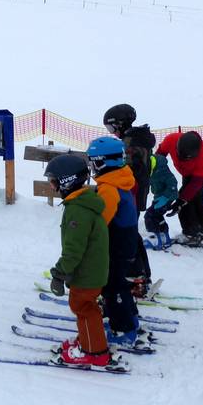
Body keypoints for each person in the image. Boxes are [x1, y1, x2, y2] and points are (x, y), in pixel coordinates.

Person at [44, 154, 125, 369]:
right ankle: (89, 339)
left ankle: (94, 352)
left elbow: (73, 251)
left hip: (87, 273)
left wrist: (59, 273)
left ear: (66, 181)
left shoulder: (77, 211)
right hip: (92, 269)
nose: (52, 186)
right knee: (86, 308)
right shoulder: (83, 202)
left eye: (53, 181)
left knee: (83, 307)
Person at [85, 135, 143, 346]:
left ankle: (124, 330)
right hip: (125, 241)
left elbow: (102, 220)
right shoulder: (120, 178)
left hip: (117, 244)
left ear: (103, 162)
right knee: (118, 283)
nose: (92, 167)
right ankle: (130, 318)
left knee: (112, 287)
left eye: (94, 162)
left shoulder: (109, 188)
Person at [102, 104, 157, 294]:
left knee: (125, 237)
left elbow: (128, 170)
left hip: (130, 194)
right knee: (131, 234)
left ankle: (135, 277)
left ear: (120, 124)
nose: (112, 133)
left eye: (111, 128)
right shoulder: (136, 139)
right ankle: (141, 274)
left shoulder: (131, 143)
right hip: (135, 193)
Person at [156, 130, 203, 246]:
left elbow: (195, 185)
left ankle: (193, 234)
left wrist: (180, 201)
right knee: (191, 199)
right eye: (179, 156)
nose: (181, 160)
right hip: (188, 172)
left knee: (190, 199)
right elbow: (158, 157)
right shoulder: (171, 140)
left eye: (186, 159)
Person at [143, 152, 179, 250]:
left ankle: (154, 239)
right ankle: (165, 237)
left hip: (167, 197)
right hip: (159, 196)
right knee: (157, 216)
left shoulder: (161, 168)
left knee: (149, 216)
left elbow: (173, 183)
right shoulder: (149, 166)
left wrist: (165, 198)